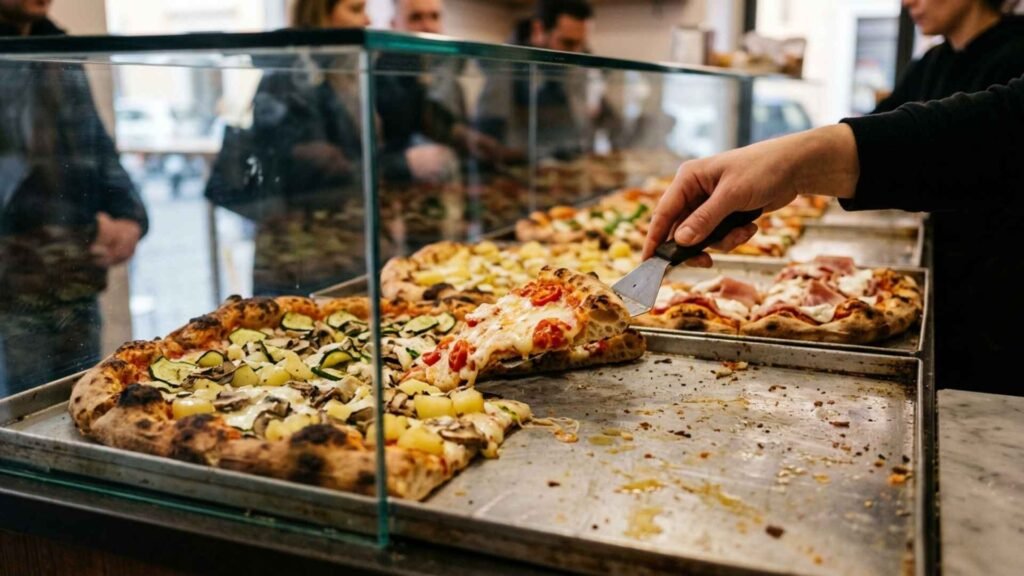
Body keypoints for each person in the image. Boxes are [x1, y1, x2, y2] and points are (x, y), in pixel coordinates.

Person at [643, 75, 1024, 395]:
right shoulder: (935, 61)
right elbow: (971, 131)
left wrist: (795, 161)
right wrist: (795, 164)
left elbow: (999, 131)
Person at [870, 0, 1024, 390]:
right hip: (945, 280)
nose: (907, 3)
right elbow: (877, 130)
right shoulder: (934, 60)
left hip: (999, 303)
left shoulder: (1016, 54)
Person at [0, 0, 148, 395]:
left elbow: (94, 147)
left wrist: (130, 216)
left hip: (72, 277)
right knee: (16, 423)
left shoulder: (54, 45)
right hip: (10, 288)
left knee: (75, 406)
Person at [474, 0, 599, 159]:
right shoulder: (504, 66)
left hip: (565, 165)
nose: (577, 54)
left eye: (582, 46)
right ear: (538, 30)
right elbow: (489, 137)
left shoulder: (579, 64)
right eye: (568, 43)